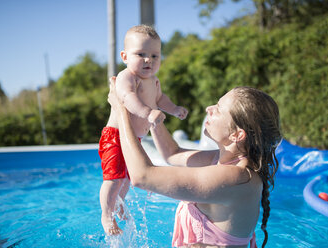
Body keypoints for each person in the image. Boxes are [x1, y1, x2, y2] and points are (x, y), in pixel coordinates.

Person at [108, 76, 282, 248]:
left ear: (237, 135)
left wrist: (120, 110)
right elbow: (172, 153)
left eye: (218, 109)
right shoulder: (220, 161)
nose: (209, 108)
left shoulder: (235, 177)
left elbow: (142, 176)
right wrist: (150, 109)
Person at [98, 25, 188, 235]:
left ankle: (119, 204)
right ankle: (106, 214)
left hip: (134, 139)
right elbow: (128, 98)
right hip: (115, 136)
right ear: (125, 56)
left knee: (128, 178)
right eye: (141, 54)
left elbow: (160, 99)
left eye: (154, 55)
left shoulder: (154, 81)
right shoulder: (127, 77)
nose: (148, 60)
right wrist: (148, 113)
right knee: (113, 178)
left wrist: (174, 109)